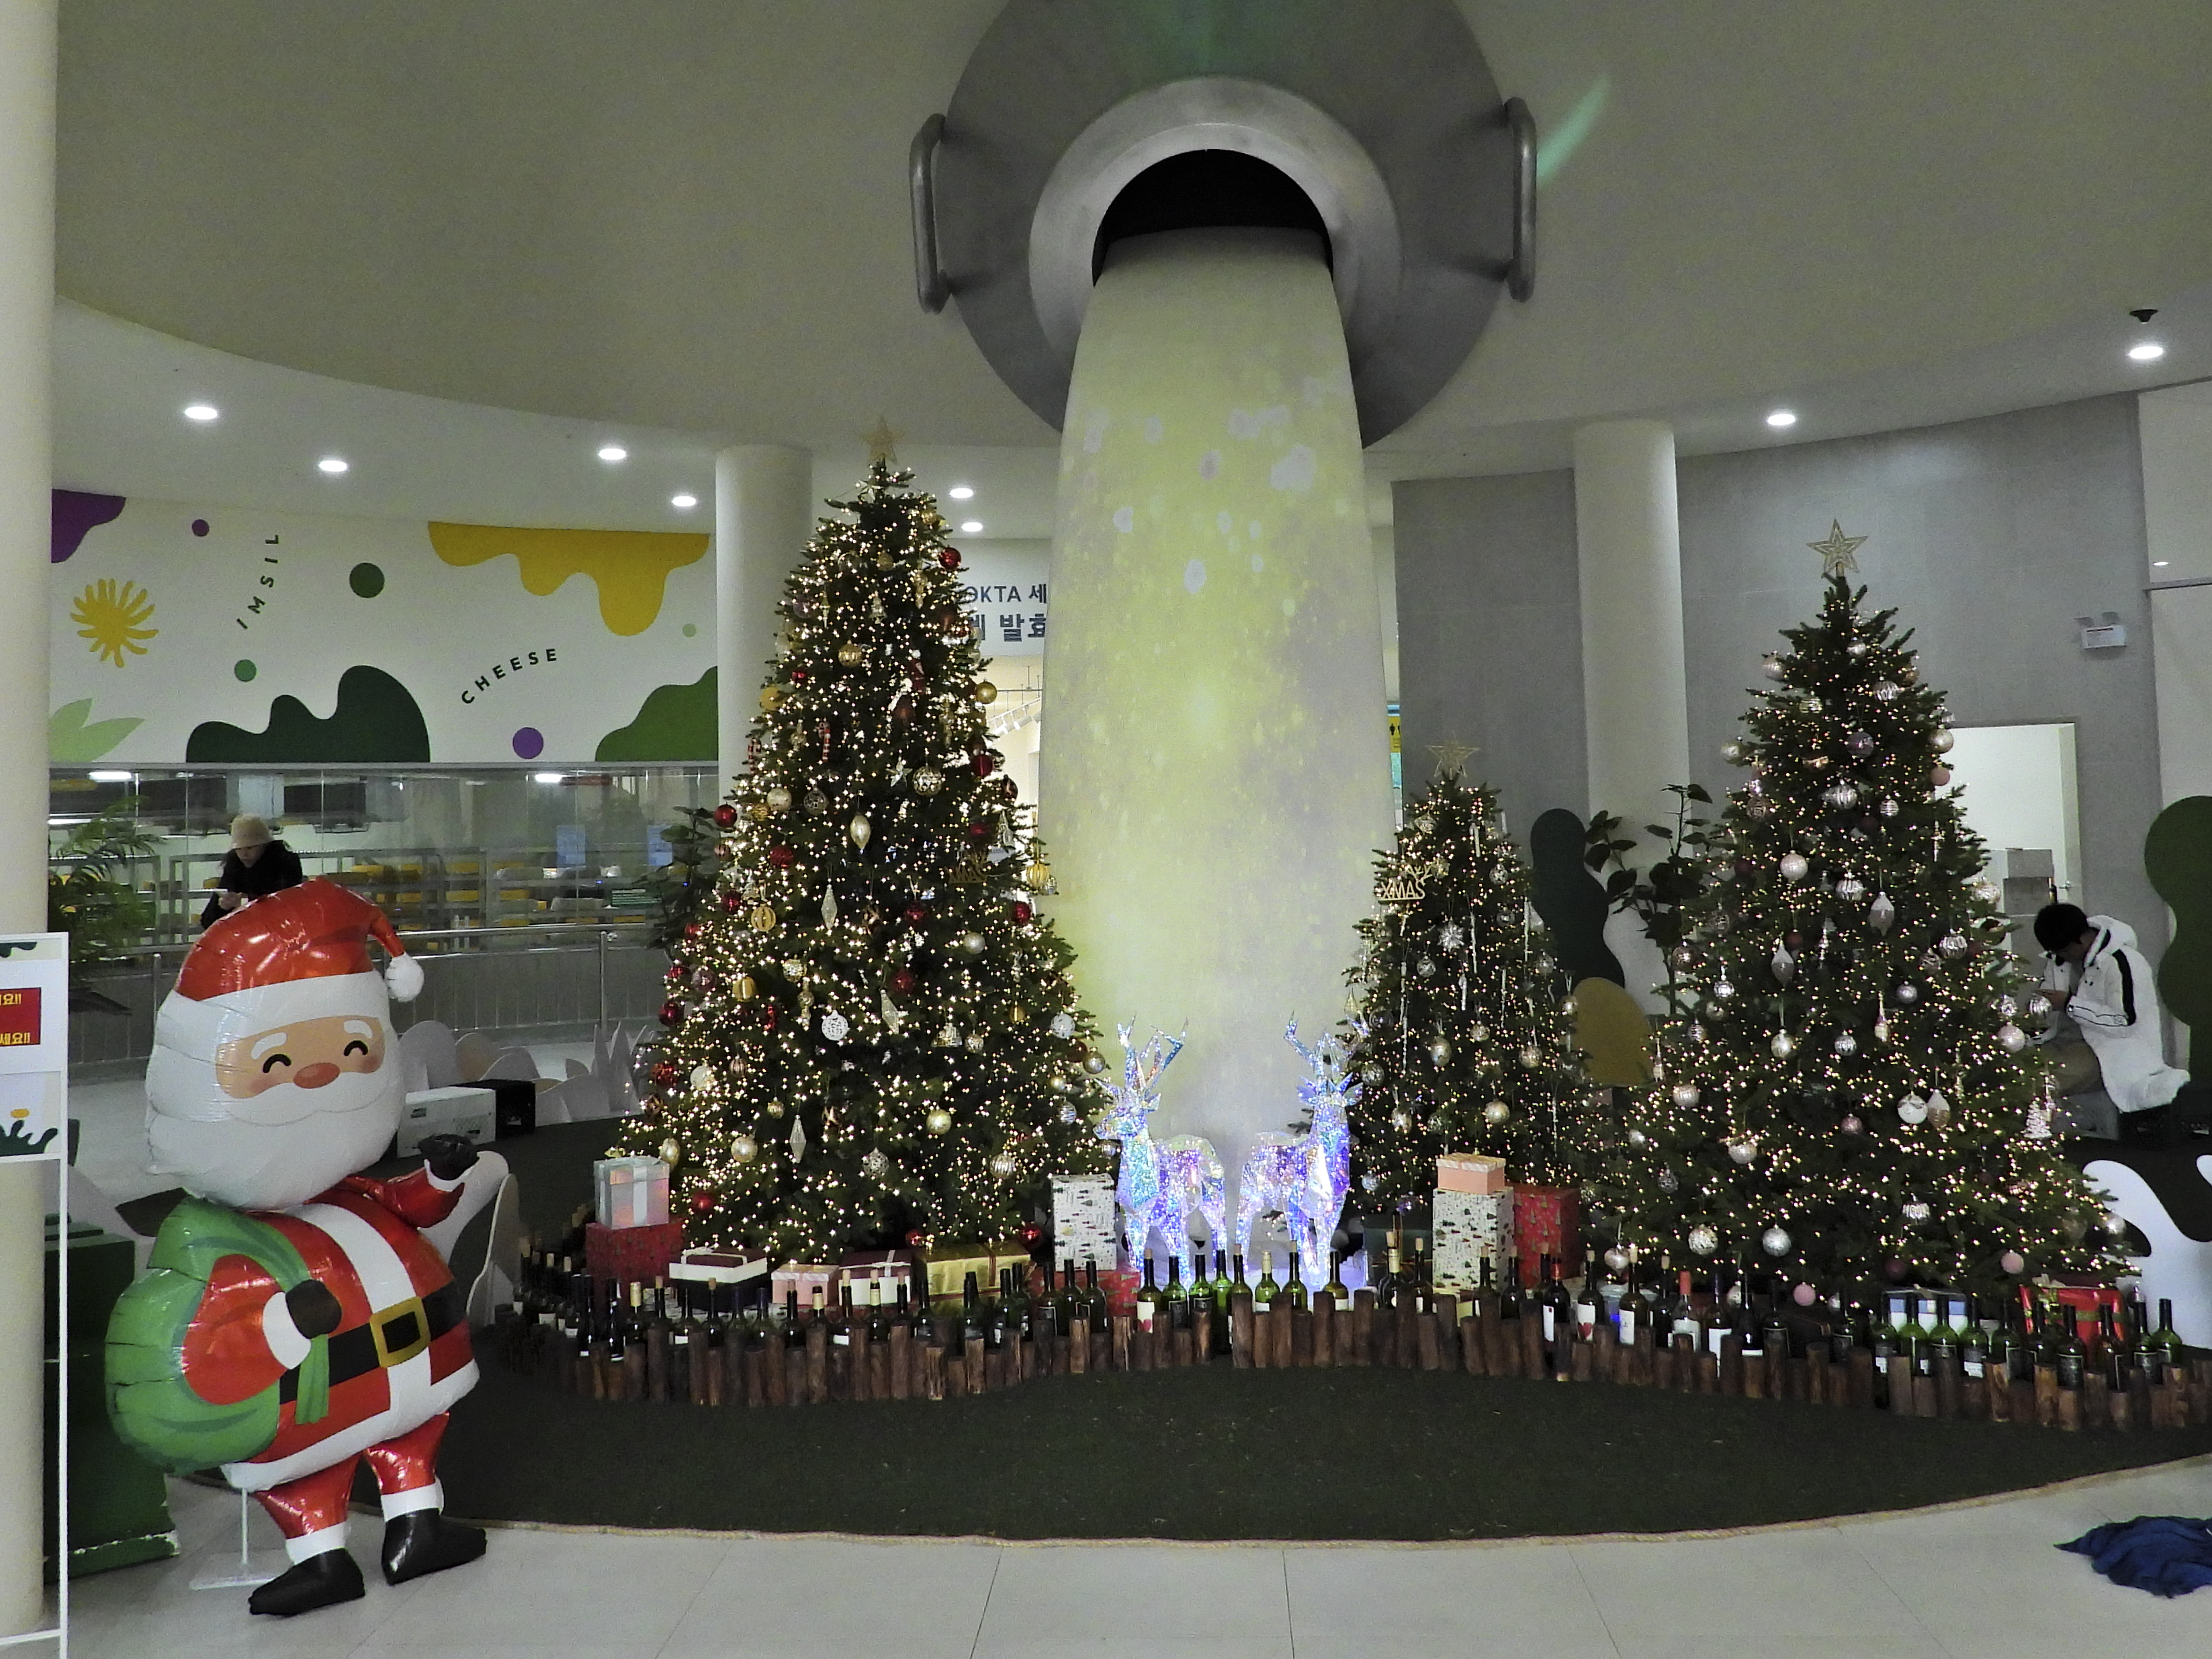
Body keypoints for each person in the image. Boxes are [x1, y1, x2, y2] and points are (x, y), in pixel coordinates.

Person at [114, 878, 486, 1617]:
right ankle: (319, 1560)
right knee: (310, 1467)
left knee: (412, 1439)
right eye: (278, 1062)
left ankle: (417, 1526)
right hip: (322, 1384)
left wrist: (440, 1177)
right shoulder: (215, 1235)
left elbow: (408, 1207)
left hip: (411, 1366)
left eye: (352, 1050)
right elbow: (206, 1331)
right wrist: (282, 1326)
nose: (319, 1073)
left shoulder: (350, 1186)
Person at [2033, 903, 2188, 1132]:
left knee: (2042, 1080)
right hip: (2062, 1040)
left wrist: (2069, 1004)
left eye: (2063, 951)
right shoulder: (2059, 961)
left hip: (2109, 1049)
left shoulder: (2123, 962)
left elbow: (2125, 1021)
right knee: (2017, 1070)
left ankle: (2033, 1138)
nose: (2060, 958)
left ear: (2080, 939)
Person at [200, 812, 305, 928]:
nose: (244, 854)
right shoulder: (235, 865)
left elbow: (286, 906)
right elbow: (207, 921)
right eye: (239, 849)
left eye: (250, 848)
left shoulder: (285, 862)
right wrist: (222, 908)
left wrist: (245, 905)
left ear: (265, 845)